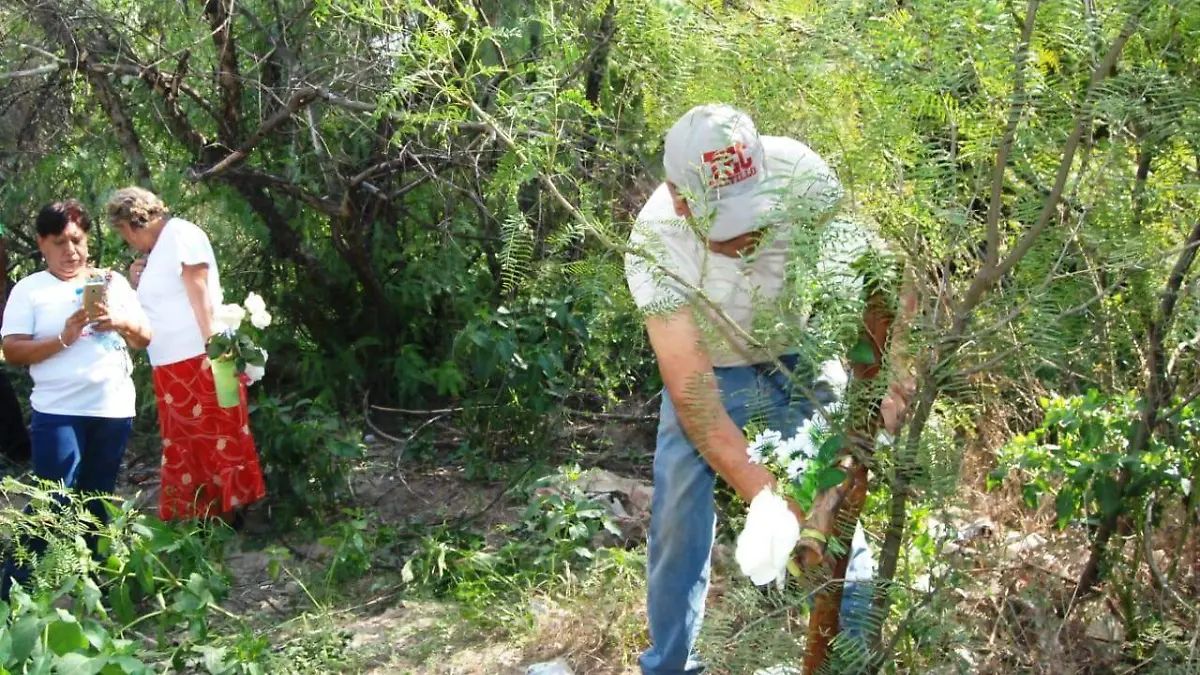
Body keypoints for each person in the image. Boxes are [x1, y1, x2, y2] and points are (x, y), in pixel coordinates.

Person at [625, 104, 910, 674]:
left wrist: (893, 382)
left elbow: (884, 273)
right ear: (681, 199)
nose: (747, 235)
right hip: (711, 370)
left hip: (797, 353)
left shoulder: (799, 174)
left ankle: (848, 660)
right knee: (678, 517)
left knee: (835, 504)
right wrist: (770, 498)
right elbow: (695, 399)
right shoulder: (657, 241)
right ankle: (670, 666)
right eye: (726, 223)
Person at [0, 200, 152, 599]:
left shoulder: (110, 282)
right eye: (59, 243)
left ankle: (96, 594)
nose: (71, 251)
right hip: (58, 411)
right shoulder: (30, 290)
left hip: (113, 408)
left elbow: (144, 337)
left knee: (97, 502)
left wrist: (118, 321)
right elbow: (12, 350)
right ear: (42, 244)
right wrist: (64, 337)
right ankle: (12, 593)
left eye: (77, 240)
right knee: (53, 500)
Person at [104, 187, 265, 525]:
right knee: (187, 441)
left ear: (131, 224)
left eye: (123, 234)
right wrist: (138, 280)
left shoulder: (180, 234)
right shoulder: (157, 251)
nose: (128, 241)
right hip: (170, 363)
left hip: (200, 356)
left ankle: (228, 513)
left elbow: (199, 290)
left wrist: (214, 350)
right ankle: (203, 515)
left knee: (216, 434)